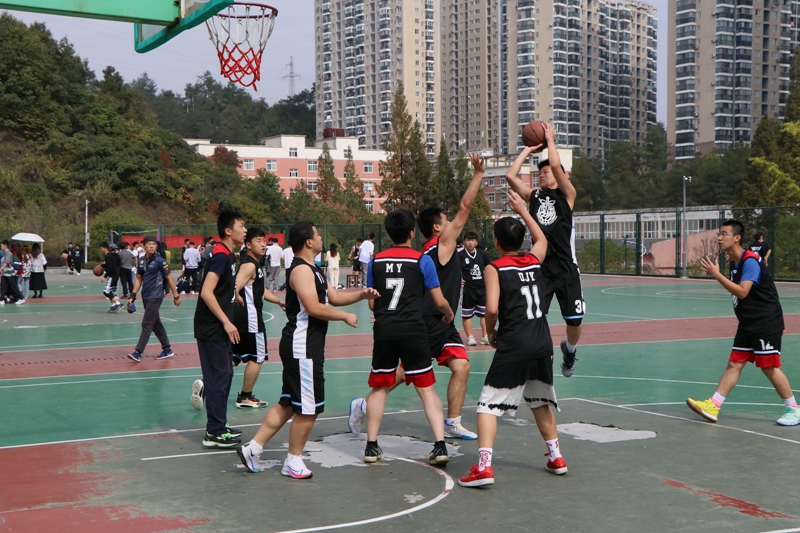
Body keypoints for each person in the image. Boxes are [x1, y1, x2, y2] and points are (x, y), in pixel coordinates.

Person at [348, 153, 487, 440]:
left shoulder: (427, 251)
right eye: (446, 220)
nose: (451, 223)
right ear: (437, 227)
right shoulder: (441, 245)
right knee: (403, 373)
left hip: (442, 321)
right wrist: (477, 174)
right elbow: (465, 207)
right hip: (428, 320)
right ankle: (363, 405)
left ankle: (452, 422)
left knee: (461, 365)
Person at [236, 221, 379, 478]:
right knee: (308, 408)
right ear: (309, 242)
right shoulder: (301, 270)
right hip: (302, 346)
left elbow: (333, 297)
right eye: (317, 234)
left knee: (288, 403)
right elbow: (313, 307)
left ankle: (253, 448)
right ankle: (293, 460)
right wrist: (344, 316)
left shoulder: (314, 269)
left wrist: (361, 294)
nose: (322, 239)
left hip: (303, 345)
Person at [458, 190, 567, 488]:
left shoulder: (494, 267)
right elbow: (542, 239)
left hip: (515, 342)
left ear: (495, 242)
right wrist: (523, 210)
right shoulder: (534, 259)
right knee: (540, 401)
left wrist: (490, 331)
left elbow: (492, 308)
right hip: (541, 341)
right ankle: (556, 457)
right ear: (520, 241)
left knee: (487, 405)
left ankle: (484, 468)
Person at [361, 209, 455, 465]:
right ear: (412, 232)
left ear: (389, 232)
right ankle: (440, 446)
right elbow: (438, 300)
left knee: (380, 388)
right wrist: (448, 314)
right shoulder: (422, 260)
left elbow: (371, 303)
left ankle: (371, 447)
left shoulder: (376, 261)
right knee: (426, 390)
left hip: (385, 330)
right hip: (413, 330)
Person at [686, 219, 799, 426]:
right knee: (735, 363)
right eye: (719, 234)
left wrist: (716, 275)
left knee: (769, 367)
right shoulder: (734, 262)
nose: (720, 238)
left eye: (724, 234)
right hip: (748, 323)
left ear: (737, 237)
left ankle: (794, 409)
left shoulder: (750, 261)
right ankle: (713, 405)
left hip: (765, 321)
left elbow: (743, 292)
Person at [505, 122, 585, 378]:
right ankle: (538, 356)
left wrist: (550, 140)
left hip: (566, 268)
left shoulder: (567, 195)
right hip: (540, 267)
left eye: (547, 171)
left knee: (575, 320)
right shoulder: (534, 197)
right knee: (535, 317)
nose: (542, 175)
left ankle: (570, 349)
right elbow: (510, 176)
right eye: (539, 172)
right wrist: (528, 150)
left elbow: (558, 167)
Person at [192, 211, 247, 448]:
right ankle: (213, 432)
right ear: (228, 230)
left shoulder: (229, 255)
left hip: (219, 327)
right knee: (218, 377)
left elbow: (221, 286)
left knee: (225, 375)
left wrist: (234, 295)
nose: (245, 230)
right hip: (212, 327)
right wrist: (225, 321)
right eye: (242, 226)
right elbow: (206, 292)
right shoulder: (221, 256)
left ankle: (220, 424)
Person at [231, 228, 285, 409]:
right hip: (251, 319)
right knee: (258, 357)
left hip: (242, 318)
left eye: (264, 241)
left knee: (235, 357)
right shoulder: (249, 265)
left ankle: (206, 383)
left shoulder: (255, 264)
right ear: (248, 245)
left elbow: (259, 290)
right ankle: (245, 397)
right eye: (258, 241)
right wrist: (236, 294)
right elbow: (234, 286)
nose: (263, 244)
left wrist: (279, 301)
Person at [127, 237, 181, 362]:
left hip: (156, 296)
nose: (151, 246)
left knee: (146, 324)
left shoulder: (160, 261)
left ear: (156, 246)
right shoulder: (141, 260)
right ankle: (167, 349)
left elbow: (169, 278)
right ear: (143, 246)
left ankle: (138, 352)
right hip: (145, 295)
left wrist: (176, 296)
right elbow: (139, 278)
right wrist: (133, 295)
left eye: (153, 244)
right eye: (149, 244)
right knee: (156, 324)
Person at [459, 231, 491, 346]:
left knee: (484, 314)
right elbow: (453, 269)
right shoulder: (460, 255)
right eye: (468, 240)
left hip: (482, 288)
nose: (470, 242)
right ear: (464, 242)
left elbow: (490, 266)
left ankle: (485, 336)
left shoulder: (482, 254)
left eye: (472, 240)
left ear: (476, 242)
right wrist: (458, 279)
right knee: (467, 314)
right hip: (467, 289)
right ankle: (470, 337)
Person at [99, 242, 122, 313]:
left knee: (106, 292)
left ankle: (118, 303)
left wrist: (104, 276)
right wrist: (103, 265)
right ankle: (113, 305)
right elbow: (111, 265)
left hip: (112, 276)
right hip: (115, 275)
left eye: (101, 248)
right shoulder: (111, 255)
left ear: (105, 248)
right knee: (110, 292)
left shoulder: (108, 256)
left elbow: (110, 268)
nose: (101, 250)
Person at [1, 240, 24, 304]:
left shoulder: (9, 253)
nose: (1, 247)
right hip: (5, 273)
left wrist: (1, 269)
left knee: (13, 287)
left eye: (2, 246)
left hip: (9, 273)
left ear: (6, 246)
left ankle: (21, 298)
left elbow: (6, 262)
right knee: (3, 286)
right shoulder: (5, 253)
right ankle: (1, 299)